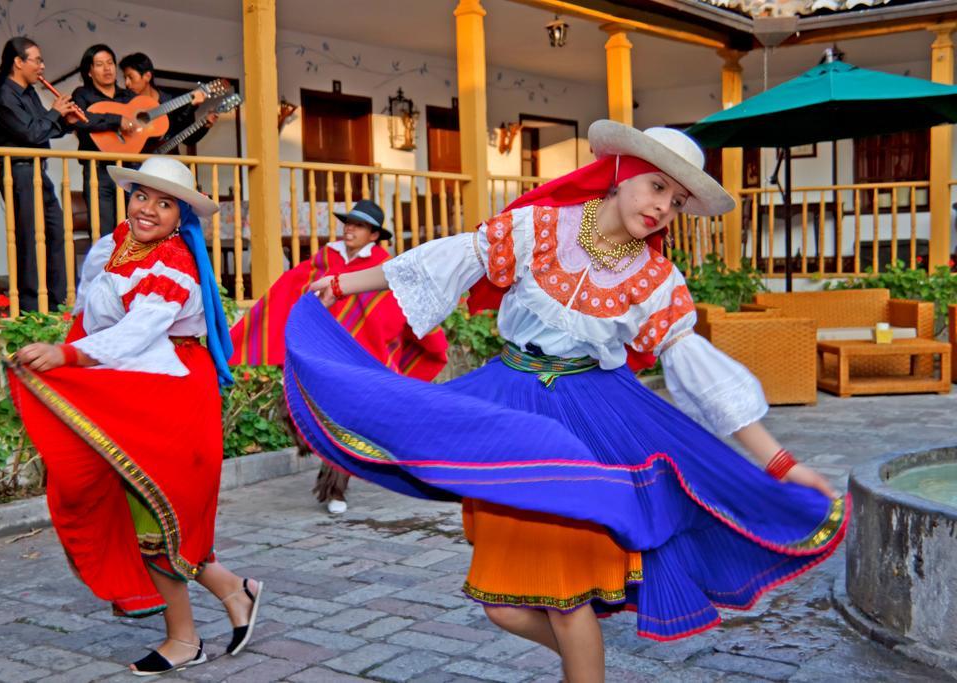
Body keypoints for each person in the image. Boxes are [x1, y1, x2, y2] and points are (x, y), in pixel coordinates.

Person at [285, 121, 847, 682]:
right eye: (656, 187)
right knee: (502, 603)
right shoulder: (538, 228)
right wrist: (342, 285)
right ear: (622, 173)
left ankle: (585, 668)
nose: (662, 208)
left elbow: (699, 372)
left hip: (588, 420)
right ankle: (587, 665)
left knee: (565, 599)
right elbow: (448, 259)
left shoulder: (656, 278)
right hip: (510, 400)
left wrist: (781, 462)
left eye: (676, 202)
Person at [6, 157, 263, 675]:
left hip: (169, 393)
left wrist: (70, 357)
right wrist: (70, 350)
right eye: (143, 196)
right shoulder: (118, 242)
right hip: (131, 385)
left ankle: (184, 640)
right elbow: (91, 309)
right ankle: (235, 590)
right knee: (142, 502)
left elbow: (140, 331)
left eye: (165, 204)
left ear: (181, 216)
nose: (149, 209)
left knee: (154, 511)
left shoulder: (171, 264)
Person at [230, 199, 448, 515]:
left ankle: (335, 490)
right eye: (348, 222)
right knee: (292, 409)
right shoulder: (323, 261)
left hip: (361, 361)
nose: (350, 228)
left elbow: (398, 308)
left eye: (358, 225)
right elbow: (288, 291)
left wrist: (429, 338)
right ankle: (314, 441)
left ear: (374, 235)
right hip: (318, 355)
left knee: (346, 423)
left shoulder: (385, 268)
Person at [0, 36, 77, 312]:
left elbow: (42, 129)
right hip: (19, 173)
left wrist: (65, 122)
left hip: (38, 171)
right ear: (18, 62)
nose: (42, 66)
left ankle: (57, 300)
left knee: (56, 232)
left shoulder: (28, 92)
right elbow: (30, 132)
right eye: (37, 60)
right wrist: (55, 113)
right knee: (27, 238)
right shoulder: (3, 93)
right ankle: (28, 306)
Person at [72, 44, 137, 237]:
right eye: (99, 64)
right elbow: (82, 120)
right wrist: (117, 120)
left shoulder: (128, 96)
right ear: (90, 71)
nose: (107, 68)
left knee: (133, 230)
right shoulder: (82, 95)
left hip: (129, 170)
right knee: (104, 232)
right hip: (98, 171)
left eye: (110, 63)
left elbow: (142, 125)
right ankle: (105, 268)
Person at [119, 52, 216, 155]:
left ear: (147, 76)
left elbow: (188, 140)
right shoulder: (125, 102)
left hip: (167, 162)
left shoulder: (169, 101)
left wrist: (204, 125)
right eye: (125, 78)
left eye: (130, 77)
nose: (127, 83)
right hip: (135, 163)